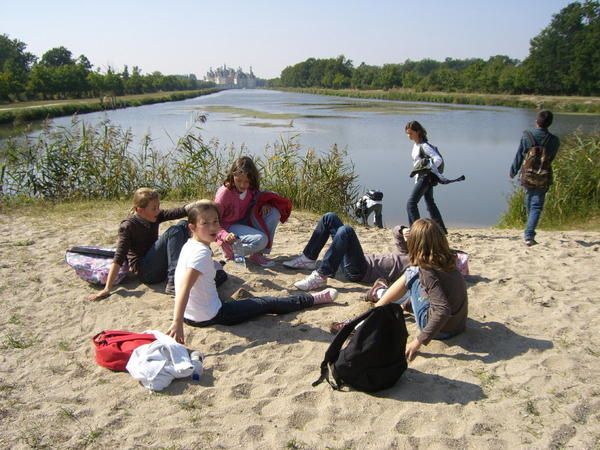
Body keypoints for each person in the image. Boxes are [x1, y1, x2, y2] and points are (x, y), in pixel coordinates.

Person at [166, 201, 337, 344]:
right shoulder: (201, 253)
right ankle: (312, 299)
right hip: (211, 315)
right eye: (205, 223)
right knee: (266, 303)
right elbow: (184, 288)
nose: (213, 227)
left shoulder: (190, 244)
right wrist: (177, 323)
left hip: (191, 314)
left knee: (220, 274)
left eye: (216, 221)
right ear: (192, 227)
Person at [334, 218, 468, 362]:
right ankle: (386, 296)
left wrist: (416, 343)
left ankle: (363, 320)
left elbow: (442, 309)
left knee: (411, 273)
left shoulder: (427, 270)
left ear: (415, 244)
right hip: (458, 326)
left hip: (440, 331)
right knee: (416, 276)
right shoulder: (449, 261)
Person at [88, 188, 205, 301]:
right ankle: (173, 282)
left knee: (184, 224)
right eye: (154, 208)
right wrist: (107, 288)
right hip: (146, 272)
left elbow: (179, 212)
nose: (158, 211)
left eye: (158, 206)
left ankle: (186, 267)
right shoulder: (128, 226)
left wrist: (197, 204)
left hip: (158, 266)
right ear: (139, 210)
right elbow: (119, 257)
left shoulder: (154, 216)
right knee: (174, 231)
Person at [284, 212, 410, 291]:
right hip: (359, 259)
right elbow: (396, 233)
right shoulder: (407, 250)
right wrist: (403, 229)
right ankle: (308, 259)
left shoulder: (419, 263)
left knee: (346, 230)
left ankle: (321, 275)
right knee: (329, 217)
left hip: (360, 271)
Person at [214, 156, 291, 267]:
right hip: (228, 227)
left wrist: (265, 203)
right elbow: (213, 222)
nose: (242, 185)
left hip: (244, 222)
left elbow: (259, 197)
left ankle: (257, 254)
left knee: (273, 213)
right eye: (239, 180)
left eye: (246, 181)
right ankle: (231, 251)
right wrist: (224, 235)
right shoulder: (224, 194)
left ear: (252, 180)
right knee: (261, 240)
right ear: (232, 175)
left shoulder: (251, 189)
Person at [509, 110, 560, 246]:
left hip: (528, 174)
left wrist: (513, 171)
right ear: (550, 123)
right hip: (543, 175)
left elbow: (519, 155)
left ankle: (529, 231)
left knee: (529, 199)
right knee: (536, 205)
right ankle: (529, 235)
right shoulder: (554, 140)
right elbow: (551, 158)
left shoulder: (527, 136)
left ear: (537, 121)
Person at [405, 121, 448, 234]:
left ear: (418, 132)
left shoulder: (424, 146)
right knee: (430, 203)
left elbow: (438, 159)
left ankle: (416, 232)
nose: (408, 136)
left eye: (410, 133)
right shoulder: (416, 145)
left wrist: (428, 168)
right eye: (407, 134)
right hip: (423, 177)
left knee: (411, 204)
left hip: (425, 178)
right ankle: (441, 230)